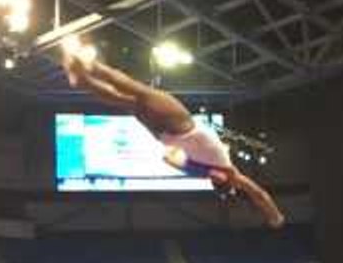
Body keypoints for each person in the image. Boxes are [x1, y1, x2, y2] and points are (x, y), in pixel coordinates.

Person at [62, 44, 285, 229]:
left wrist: (276, 217)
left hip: (180, 126)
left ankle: (92, 67)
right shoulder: (201, 171)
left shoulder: (227, 172)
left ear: (222, 181)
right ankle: (84, 82)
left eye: (218, 181)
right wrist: (194, 160)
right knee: (126, 101)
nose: (218, 178)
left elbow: (260, 194)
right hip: (164, 135)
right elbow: (168, 157)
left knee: (139, 91)